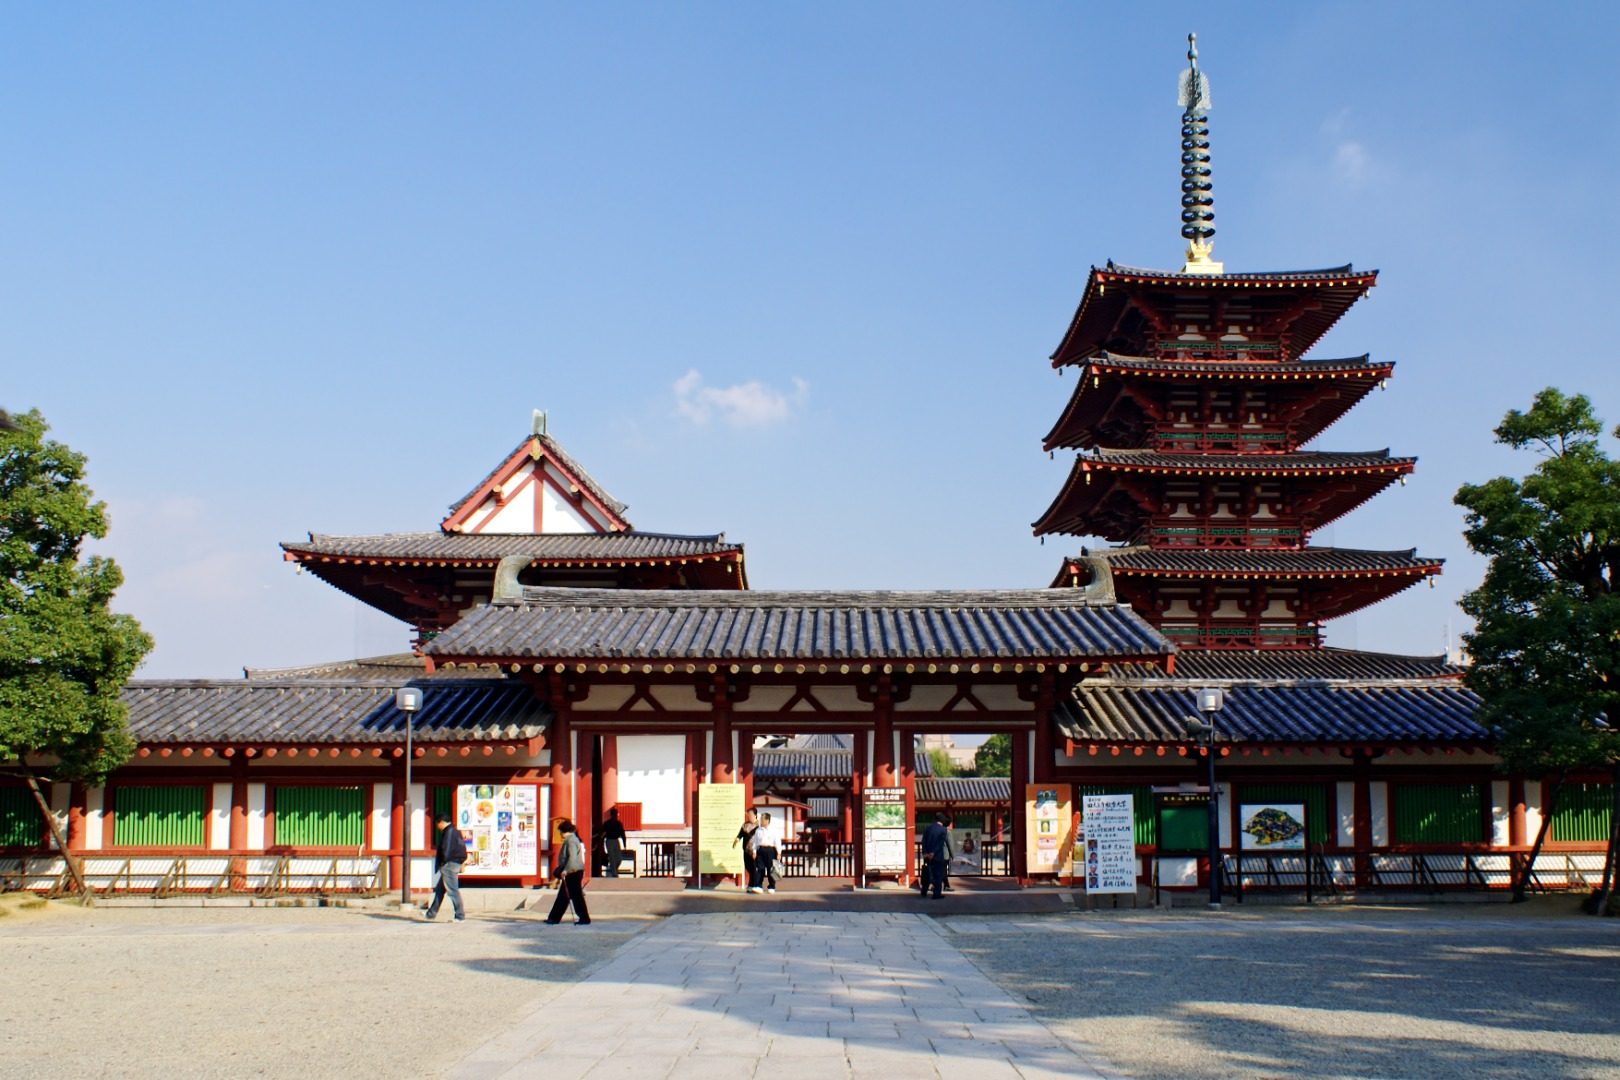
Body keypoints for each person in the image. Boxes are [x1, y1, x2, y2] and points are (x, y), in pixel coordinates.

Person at [546, 819, 591, 925]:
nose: (560, 834)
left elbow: (572, 858)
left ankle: (584, 918)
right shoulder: (573, 839)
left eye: (560, 832)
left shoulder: (571, 841)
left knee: (575, 896)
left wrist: (566, 870)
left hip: (572, 872)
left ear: (563, 831)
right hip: (574, 871)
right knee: (564, 896)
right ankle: (554, 917)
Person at [425, 811, 468, 921]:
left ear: (441, 822)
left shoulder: (448, 832)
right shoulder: (455, 831)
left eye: (437, 824)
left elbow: (446, 849)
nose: (437, 827)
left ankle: (459, 915)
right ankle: (431, 913)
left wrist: (443, 862)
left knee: (453, 891)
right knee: (440, 890)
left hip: (449, 864)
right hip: (454, 863)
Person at [749, 811, 781, 894]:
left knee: (771, 869)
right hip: (760, 850)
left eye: (762, 819)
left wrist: (779, 852)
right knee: (760, 868)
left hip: (770, 850)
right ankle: (758, 886)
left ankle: (771, 886)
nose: (760, 821)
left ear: (767, 820)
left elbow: (777, 841)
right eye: (760, 819)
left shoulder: (773, 830)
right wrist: (754, 851)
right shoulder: (758, 830)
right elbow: (755, 842)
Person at [921, 813, 951, 900]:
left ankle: (924, 890)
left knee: (927, 872)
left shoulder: (928, 828)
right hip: (937, 855)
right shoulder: (943, 830)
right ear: (942, 821)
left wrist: (925, 852)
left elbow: (924, 841)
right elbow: (940, 843)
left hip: (927, 855)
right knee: (938, 874)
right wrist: (933, 853)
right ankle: (936, 894)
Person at [733, 808, 759, 890]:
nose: (749, 816)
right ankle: (752, 884)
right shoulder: (745, 824)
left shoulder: (759, 825)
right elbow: (740, 834)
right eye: (748, 814)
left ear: (755, 815)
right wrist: (736, 840)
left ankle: (753, 885)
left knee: (754, 867)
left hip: (755, 850)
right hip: (746, 849)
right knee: (748, 867)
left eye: (750, 814)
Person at [600, 807, 627, 877]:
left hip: (616, 840)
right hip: (609, 841)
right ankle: (614, 873)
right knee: (611, 857)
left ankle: (613, 869)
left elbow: (622, 833)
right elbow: (603, 834)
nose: (616, 815)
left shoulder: (619, 823)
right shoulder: (607, 824)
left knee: (619, 858)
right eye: (615, 814)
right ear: (612, 815)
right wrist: (602, 844)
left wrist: (624, 844)